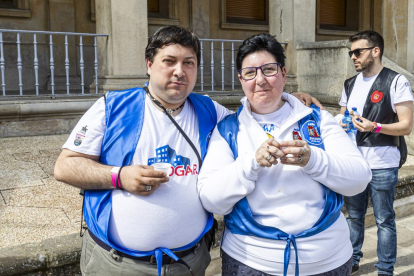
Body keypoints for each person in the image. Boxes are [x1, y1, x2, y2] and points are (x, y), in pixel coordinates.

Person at [54, 26, 320, 276]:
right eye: (169, 61)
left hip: (189, 262)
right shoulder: (112, 107)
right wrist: (119, 176)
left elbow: (256, 119)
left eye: (188, 63)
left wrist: (288, 99)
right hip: (117, 264)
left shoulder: (209, 110)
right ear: (149, 65)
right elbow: (65, 166)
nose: (179, 71)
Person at [197, 33, 372, 276]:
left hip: (328, 260)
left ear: (283, 73)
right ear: (240, 79)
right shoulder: (228, 128)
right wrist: (251, 163)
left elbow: (360, 179)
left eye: (269, 69)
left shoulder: (318, 119)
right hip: (251, 263)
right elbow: (211, 199)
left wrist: (313, 159)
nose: (260, 80)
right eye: (250, 73)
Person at [338, 30, 413, 275]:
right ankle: (353, 260)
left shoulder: (396, 81)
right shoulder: (350, 83)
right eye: (351, 53)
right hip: (354, 162)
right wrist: (340, 120)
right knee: (354, 216)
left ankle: (385, 269)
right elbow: (341, 116)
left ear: (375, 51)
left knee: (384, 220)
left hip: (383, 161)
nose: (353, 57)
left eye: (358, 52)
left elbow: (406, 126)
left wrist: (375, 126)